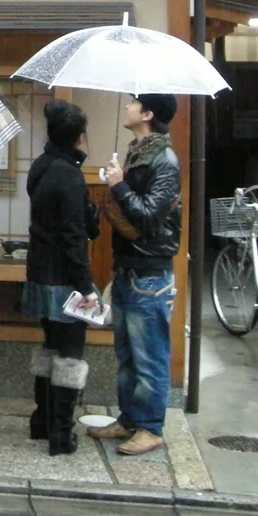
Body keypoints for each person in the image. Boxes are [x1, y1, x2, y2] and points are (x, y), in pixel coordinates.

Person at [88, 93, 181, 457]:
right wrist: (119, 181)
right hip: (129, 268)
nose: (127, 107)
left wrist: (118, 185)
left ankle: (151, 428)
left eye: (133, 104)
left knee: (150, 356)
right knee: (127, 355)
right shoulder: (139, 153)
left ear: (148, 114)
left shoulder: (164, 160)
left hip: (150, 273)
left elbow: (147, 217)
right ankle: (129, 419)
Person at [22, 100, 101, 455]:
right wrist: (87, 287)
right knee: (69, 354)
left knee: (50, 347)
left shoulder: (40, 166)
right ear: (80, 137)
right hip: (64, 278)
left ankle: (41, 421)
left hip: (39, 271)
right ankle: (61, 434)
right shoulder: (68, 174)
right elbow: (73, 237)